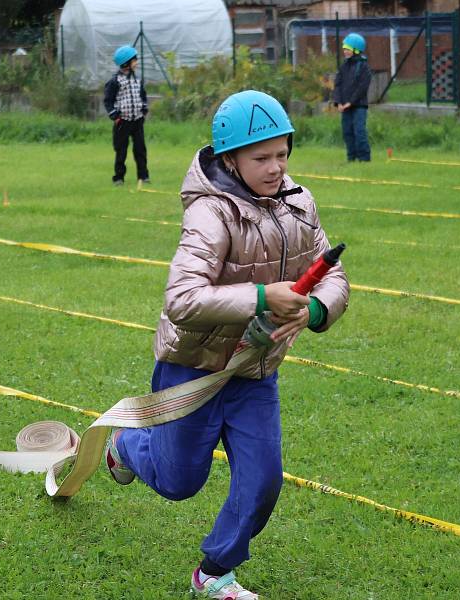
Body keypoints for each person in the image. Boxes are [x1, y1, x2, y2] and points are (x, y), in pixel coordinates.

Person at [105, 90, 350, 599]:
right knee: (178, 482)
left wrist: (315, 307)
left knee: (263, 481)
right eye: (261, 157)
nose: (275, 168)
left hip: (255, 372)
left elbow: (333, 272)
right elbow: (182, 299)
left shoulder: (300, 204)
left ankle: (215, 571)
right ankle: (124, 445)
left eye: (282, 154)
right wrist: (263, 295)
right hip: (192, 368)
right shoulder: (209, 214)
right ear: (229, 159)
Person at [103, 45, 149, 186]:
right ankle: (119, 177)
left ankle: (143, 176)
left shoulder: (137, 80)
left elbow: (143, 96)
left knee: (140, 149)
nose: (136, 63)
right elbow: (108, 100)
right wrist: (115, 116)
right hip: (122, 121)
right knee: (121, 150)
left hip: (137, 120)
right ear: (126, 63)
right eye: (134, 60)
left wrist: (144, 109)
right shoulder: (115, 81)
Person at [333, 33, 372, 162]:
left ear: (356, 50)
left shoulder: (364, 67)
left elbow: (362, 87)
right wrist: (338, 102)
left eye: (347, 49)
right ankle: (351, 157)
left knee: (359, 131)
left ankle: (364, 158)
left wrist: (351, 102)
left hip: (358, 106)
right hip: (344, 106)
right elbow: (337, 84)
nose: (345, 51)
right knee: (347, 132)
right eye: (344, 49)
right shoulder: (344, 66)